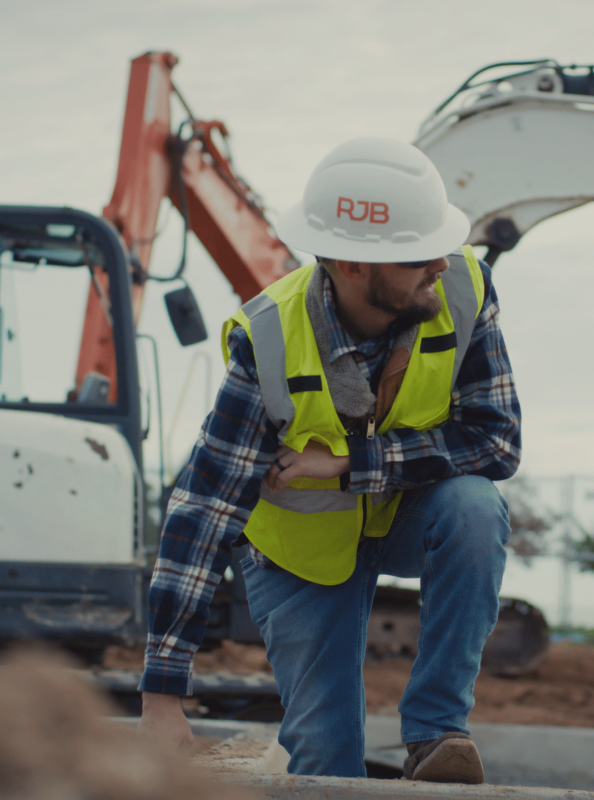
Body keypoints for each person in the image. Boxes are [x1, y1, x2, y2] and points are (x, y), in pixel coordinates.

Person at [136, 137, 521, 782]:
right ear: (349, 264)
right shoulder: (268, 340)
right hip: (299, 551)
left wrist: (349, 462)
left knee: (475, 507)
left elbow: (496, 440)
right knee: (325, 762)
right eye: (413, 253)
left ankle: (434, 732)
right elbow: (203, 508)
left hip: (405, 518)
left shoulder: (461, 288)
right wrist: (161, 696)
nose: (437, 262)